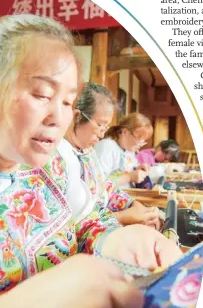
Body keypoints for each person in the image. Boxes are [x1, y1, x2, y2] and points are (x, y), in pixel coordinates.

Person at [0, 15, 181, 308]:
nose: (57, 118)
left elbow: (84, 220)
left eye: (67, 102)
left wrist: (119, 241)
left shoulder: (58, 156)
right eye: (41, 95)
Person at [58, 83, 161, 228]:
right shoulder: (55, 156)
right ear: (77, 117)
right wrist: (122, 217)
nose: (102, 134)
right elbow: (66, 229)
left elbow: (104, 186)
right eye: (100, 125)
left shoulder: (88, 152)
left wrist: (133, 204)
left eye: (105, 127)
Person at [95, 113, 153, 188]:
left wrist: (138, 168)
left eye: (144, 141)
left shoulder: (128, 150)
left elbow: (128, 169)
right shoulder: (106, 147)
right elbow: (99, 183)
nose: (141, 144)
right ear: (125, 132)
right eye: (139, 139)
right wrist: (129, 177)